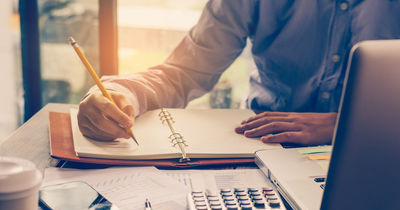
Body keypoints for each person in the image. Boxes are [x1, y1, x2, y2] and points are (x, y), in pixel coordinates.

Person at [78, 0, 400, 145]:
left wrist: (341, 126)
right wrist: (119, 93)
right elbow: (182, 71)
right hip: (263, 148)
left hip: (380, 153)